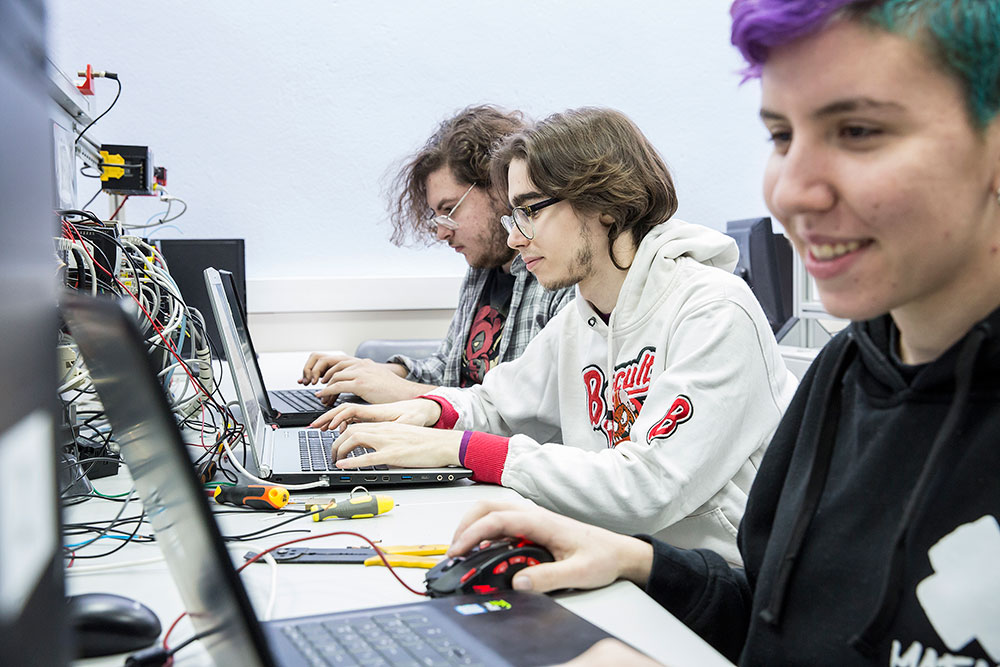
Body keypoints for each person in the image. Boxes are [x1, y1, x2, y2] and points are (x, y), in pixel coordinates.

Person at [441, 1, 1000, 665]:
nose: (789, 191)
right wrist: (641, 561)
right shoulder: (843, 376)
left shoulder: (715, 309)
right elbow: (777, 622)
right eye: (781, 137)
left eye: (857, 130)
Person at [314, 107, 798, 562]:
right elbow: (497, 406)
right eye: (512, 216)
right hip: (614, 555)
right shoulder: (581, 315)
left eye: (530, 211)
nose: (514, 238)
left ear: (604, 204)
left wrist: (457, 449)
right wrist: (423, 411)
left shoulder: (714, 311)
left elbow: (648, 488)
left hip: (715, 586)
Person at [298, 105, 574, 403]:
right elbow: (448, 370)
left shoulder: (556, 274)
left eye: (449, 210)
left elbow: (525, 411)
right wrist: (378, 373)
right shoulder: (482, 269)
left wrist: (402, 392)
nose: (442, 232)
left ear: (498, 188)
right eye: (437, 217)